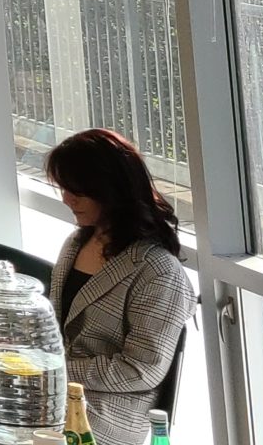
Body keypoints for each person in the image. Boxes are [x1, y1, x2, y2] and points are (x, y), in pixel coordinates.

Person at [44, 129, 193, 445]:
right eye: (63, 189)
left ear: (109, 189)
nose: (66, 200)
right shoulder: (77, 242)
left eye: (77, 192)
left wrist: (56, 371)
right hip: (57, 398)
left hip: (107, 418)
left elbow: (140, 370)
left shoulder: (158, 272)